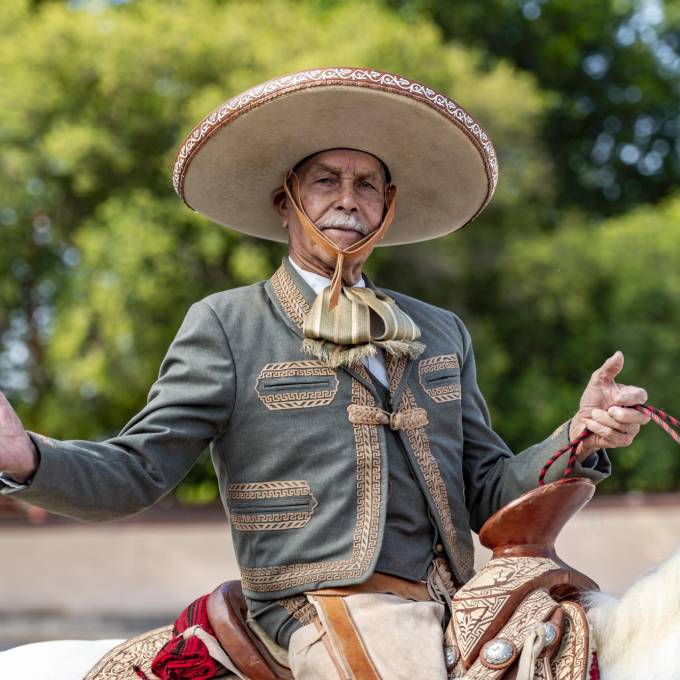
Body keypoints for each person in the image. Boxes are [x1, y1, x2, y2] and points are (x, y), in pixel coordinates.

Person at [0, 68, 651, 679]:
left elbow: (489, 490)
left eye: (367, 183)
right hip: (314, 605)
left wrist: (579, 434)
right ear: (286, 201)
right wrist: (26, 457)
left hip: (452, 601)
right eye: (325, 180)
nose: (348, 198)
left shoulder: (441, 331)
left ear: (388, 205)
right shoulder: (227, 323)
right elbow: (137, 471)